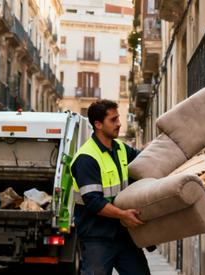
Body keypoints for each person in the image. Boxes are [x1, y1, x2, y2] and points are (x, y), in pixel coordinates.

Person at [70, 100, 149, 275]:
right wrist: (123, 215)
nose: (119, 123)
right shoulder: (86, 158)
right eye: (113, 120)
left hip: (123, 234)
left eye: (118, 118)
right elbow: (93, 202)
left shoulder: (120, 148)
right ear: (98, 124)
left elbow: (145, 162)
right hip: (96, 238)